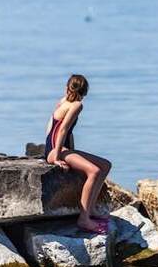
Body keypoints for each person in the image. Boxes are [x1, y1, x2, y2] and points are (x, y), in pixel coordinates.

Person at [45, 74, 112, 234]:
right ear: (85, 91)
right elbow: (62, 129)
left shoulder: (63, 101)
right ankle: (84, 219)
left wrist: (68, 150)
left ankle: (91, 209)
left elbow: (51, 128)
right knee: (94, 171)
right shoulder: (76, 105)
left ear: (67, 87)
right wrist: (57, 156)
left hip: (56, 147)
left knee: (105, 165)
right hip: (57, 150)